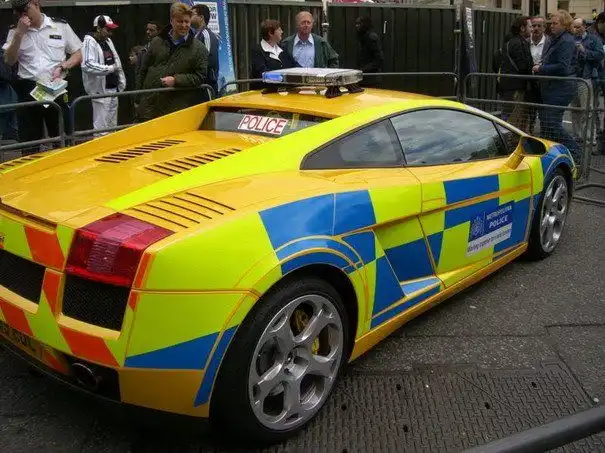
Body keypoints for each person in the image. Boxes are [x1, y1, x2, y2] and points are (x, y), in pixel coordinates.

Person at [2, 0, 82, 154]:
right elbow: (9, 60)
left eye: (25, 9)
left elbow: (77, 53)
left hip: (56, 87)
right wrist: (19, 34)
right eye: (18, 12)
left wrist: (64, 66)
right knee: (30, 142)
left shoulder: (60, 26)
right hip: (29, 89)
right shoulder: (15, 31)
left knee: (62, 138)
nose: (23, 15)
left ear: (36, 4)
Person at [135, 2, 208, 122]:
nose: (184, 25)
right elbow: (142, 71)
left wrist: (176, 80)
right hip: (148, 107)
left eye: (187, 21)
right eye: (180, 21)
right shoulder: (157, 42)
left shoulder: (199, 49)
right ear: (171, 21)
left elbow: (200, 76)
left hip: (174, 110)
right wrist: (138, 99)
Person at [532, 10, 581, 161]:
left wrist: (541, 68)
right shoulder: (558, 39)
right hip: (554, 87)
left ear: (565, 24)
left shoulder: (566, 41)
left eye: (555, 23)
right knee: (548, 124)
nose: (551, 26)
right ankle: (554, 155)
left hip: (561, 88)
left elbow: (563, 67)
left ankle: (576, 153)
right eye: (551, 23)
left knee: (552, 124)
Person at [81, 15, 126, 138]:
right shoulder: (89, 41)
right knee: (101, 129)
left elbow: (116, 60)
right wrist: (109, 69)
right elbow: (87, 65)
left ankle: (112, 148)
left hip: (113, 88)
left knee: (112, 126)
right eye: (108, 29)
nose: (110, 33)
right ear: (98, 28)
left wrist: (120, 80)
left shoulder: (108, 41)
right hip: (100, 90)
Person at [571, 17, 603, 143]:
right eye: (574, 27)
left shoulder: (593, 39)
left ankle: (589, 137)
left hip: (586, 77)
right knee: (574, 109)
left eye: (578, 27)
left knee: (587, 109)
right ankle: (577, 135)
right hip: (573, 77)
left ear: (584, 26)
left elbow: (600, 54)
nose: (576, 29)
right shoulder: (571, 39)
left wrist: (584, 51)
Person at [499, 16, 533, 132]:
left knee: (507, 114)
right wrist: (534, 70)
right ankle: (510, 140)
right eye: (530, 26)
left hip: (508, 86)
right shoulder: (520, 43)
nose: (532, 29)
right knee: (515, 118)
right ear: (522, 28)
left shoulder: (510, 42)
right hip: (516, 87)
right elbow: (523, 66)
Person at [249, 19, 298, 90]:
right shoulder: (258, 50)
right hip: (263, 93)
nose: (282, 32)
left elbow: (294, 66)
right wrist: (283, 78)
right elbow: (262, 73)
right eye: (279, 30)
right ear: (270, 33)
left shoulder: (283, 48)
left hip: (284, 92)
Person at [191, 4, 219, 97]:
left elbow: (207, 60)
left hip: (207, 85)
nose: (189, 17)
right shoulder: (195, 35)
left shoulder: (206, 34)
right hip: (198, 85)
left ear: (201, 17)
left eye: (192, 14)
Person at [355, 16, 383, 88]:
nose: (357, 26)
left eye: (359, 24)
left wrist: (363, 70)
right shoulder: (363, 37)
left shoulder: (371, 37)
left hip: (371, 78)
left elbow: (379, 59)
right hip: (365, 78)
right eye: (356, 24)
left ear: (365, 24)